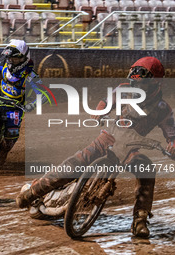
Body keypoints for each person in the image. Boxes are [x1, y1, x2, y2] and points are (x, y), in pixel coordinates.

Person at [16, 56, 175, 238]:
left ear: (155, 83)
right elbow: (106, 101)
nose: (137, 88)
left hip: (130, 150)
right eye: (134, 83)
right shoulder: (123, 89)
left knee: (146, 170)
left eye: (142, 85)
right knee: (73, 165)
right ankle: (30, 194)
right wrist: (100, 111)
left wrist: (172, 146)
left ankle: (140, 220)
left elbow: (172, 134)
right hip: (106, 140)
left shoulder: (163, 108)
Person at [0, 39, 46, 165]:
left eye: (15, 59)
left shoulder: (30, 75)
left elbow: (44, 95)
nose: (11, 61)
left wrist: (31, 105)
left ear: (24, 58)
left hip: (15, 107)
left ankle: (1, 157)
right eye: (9, 58)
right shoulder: (4, 65)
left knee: (10, 136)